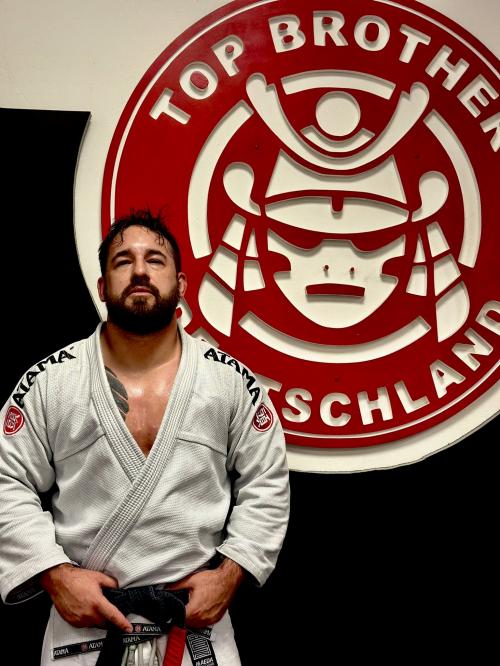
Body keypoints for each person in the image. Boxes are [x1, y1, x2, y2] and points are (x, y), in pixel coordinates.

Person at [0, 210, 290, 665]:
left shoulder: (229, 381)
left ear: (181, 283)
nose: (139, 271)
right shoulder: (50, 382)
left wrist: (230, 574)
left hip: (194, 627)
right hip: (86, 631)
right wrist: (55, 574)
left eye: (155, 260)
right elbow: (6, 480)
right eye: (123, 261)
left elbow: (267, 481)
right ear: (101, 287)